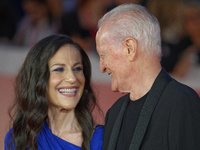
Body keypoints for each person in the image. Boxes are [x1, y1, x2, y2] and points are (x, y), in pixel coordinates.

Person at [95, 3, 200, 150]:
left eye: (103, 55)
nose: (101, 67)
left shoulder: (181, 102)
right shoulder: (114, 113)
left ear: (130, 48)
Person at [4, 34, 103, 150]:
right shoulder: (19, 137)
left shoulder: (103, 138)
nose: (72, 78)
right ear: (38, 78)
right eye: (59, 69)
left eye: (77, 69)